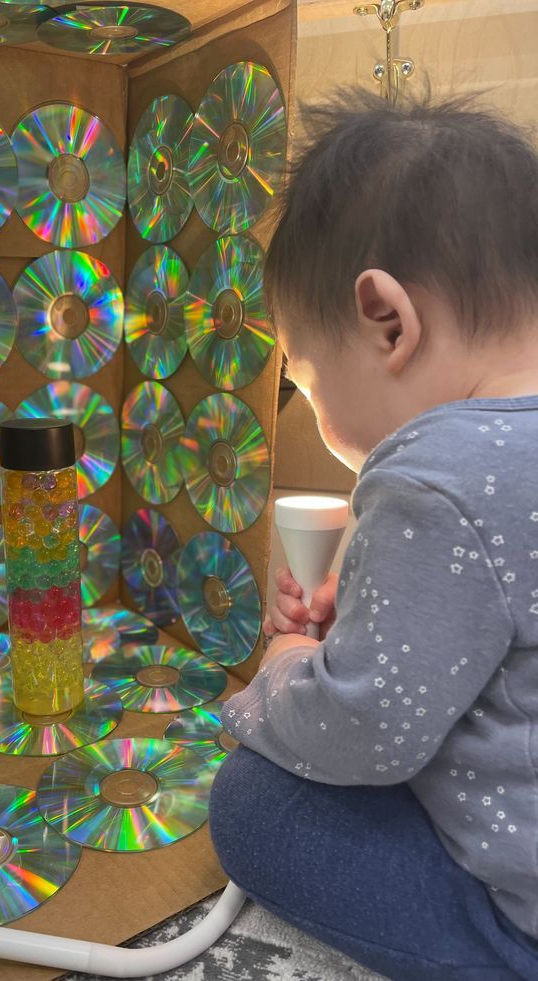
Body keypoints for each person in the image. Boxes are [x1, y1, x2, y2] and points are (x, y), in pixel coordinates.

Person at [208, 89, 538, 980]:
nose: (315, 415)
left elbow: (369, 728)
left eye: (309, 386)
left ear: (387, 322)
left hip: (524, 919)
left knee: (252, 804)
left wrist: (279, 675)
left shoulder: (436, 471)